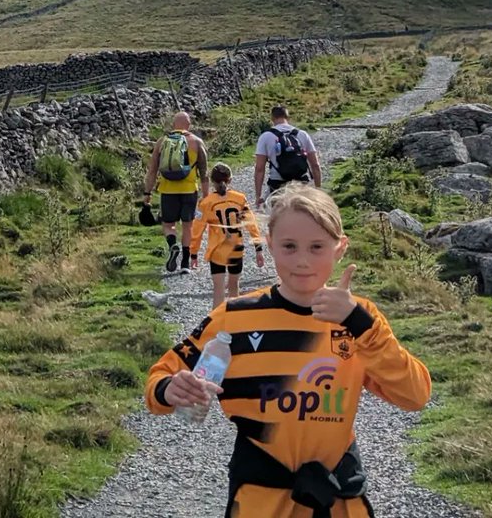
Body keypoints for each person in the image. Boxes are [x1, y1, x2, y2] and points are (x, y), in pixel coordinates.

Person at [146, 186, 431, 517]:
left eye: (317, 247)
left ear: (340, 248)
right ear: (270, 244)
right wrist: (169, 389)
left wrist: (362, 325)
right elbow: (161, 377)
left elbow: (415, 395)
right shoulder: (234, 316)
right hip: (260, 501)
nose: (302, 261)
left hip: (338, 499)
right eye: (289, 246)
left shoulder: (359, 318)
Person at [143, 111, 209, 274]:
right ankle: (185, 263)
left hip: (167, 190)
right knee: (187, 226)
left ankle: (173, 245)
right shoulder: (196, 142)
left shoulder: (162, 142)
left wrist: (147, 194)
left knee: (168, 224)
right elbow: (204, 173)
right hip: (189, 190)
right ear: (189, 125)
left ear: (173, 124)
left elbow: (152, 171)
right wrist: (206, 197)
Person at [191, 162, 265, 307]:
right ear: (230, 179)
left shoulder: (206, 203)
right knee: (234, 288)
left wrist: (193, 253)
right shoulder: (240, 199)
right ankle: (234, 318)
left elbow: (197, 230)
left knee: (218, 290)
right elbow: (251, 224)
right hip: (235, 247)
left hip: (217, 249)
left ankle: (216, 319)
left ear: (212, 182)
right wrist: (258, 248)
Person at [254, 105, 322, 211]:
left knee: (273, 216)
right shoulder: (302, 134)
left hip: (277, 185)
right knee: (303, 213)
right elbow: (315, 165)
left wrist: (258, 196)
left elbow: (259, 169)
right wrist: (318, 191)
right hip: (301, 184)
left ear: (272, 118)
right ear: (288, 117)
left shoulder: (266, 136)